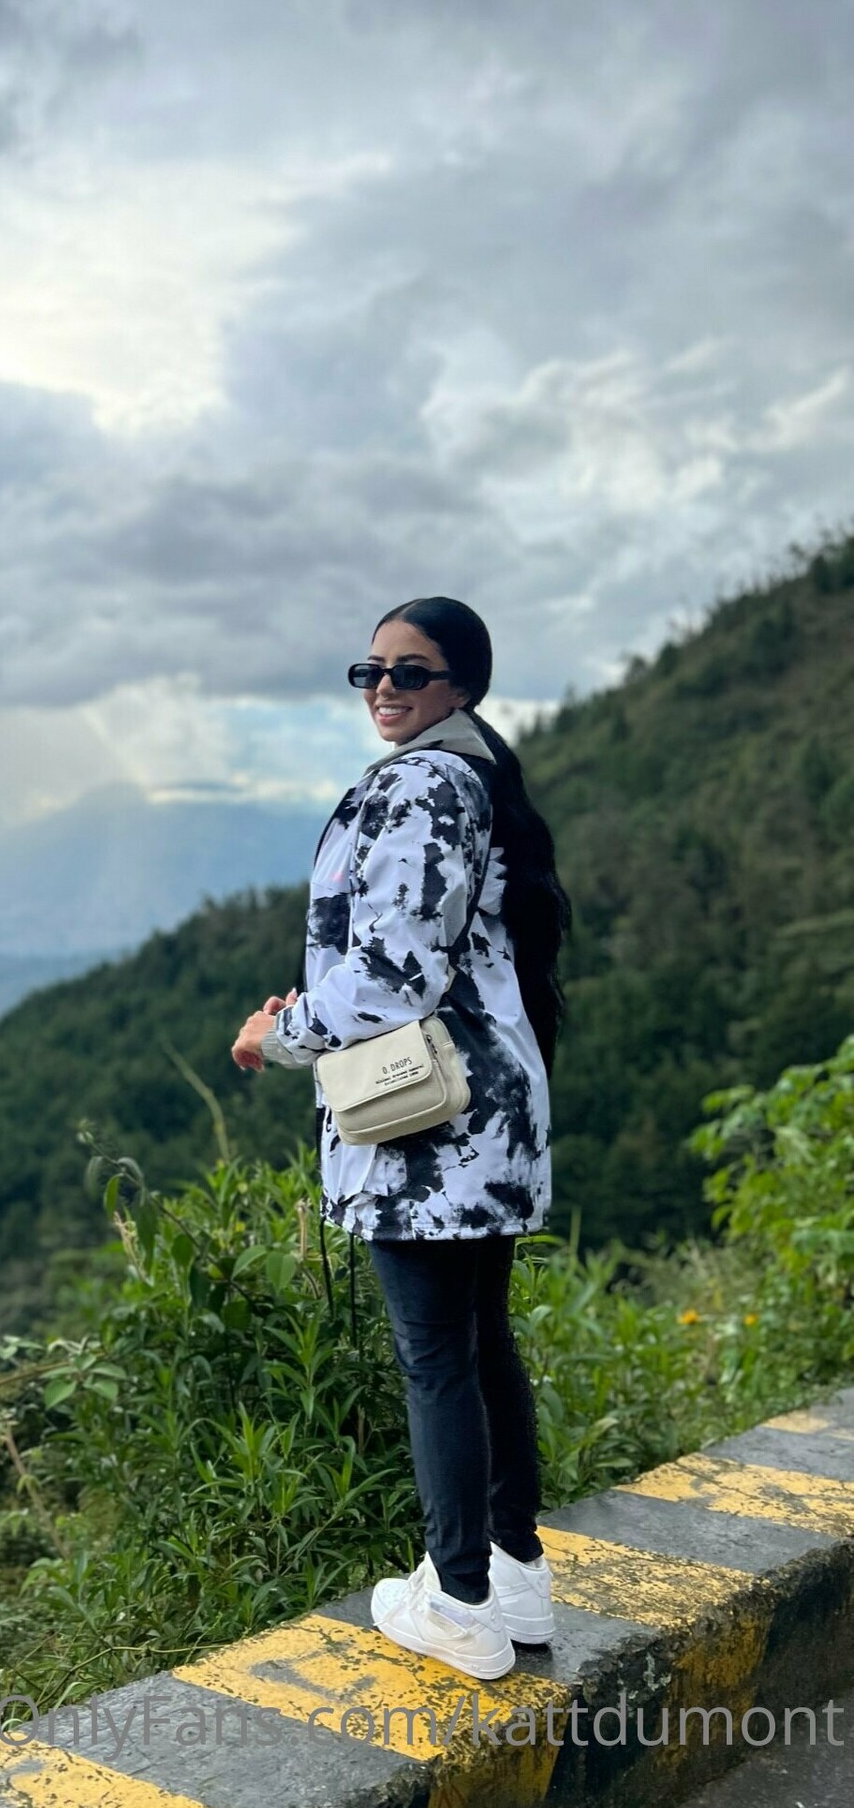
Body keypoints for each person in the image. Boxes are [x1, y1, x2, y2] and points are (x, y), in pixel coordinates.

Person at [231, 596, 571, 1681]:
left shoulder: (423, 783)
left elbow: (391, 974)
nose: (383, 688)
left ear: (459, 684)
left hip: (430, 1124)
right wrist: (310, 1011)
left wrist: (279, 1036)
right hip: (488, 1107)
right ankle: (511, 1575)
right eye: (370, 671)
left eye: (410, 672)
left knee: (435, 1358)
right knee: (480, 1344)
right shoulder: (477, 777)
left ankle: (457, 1601)